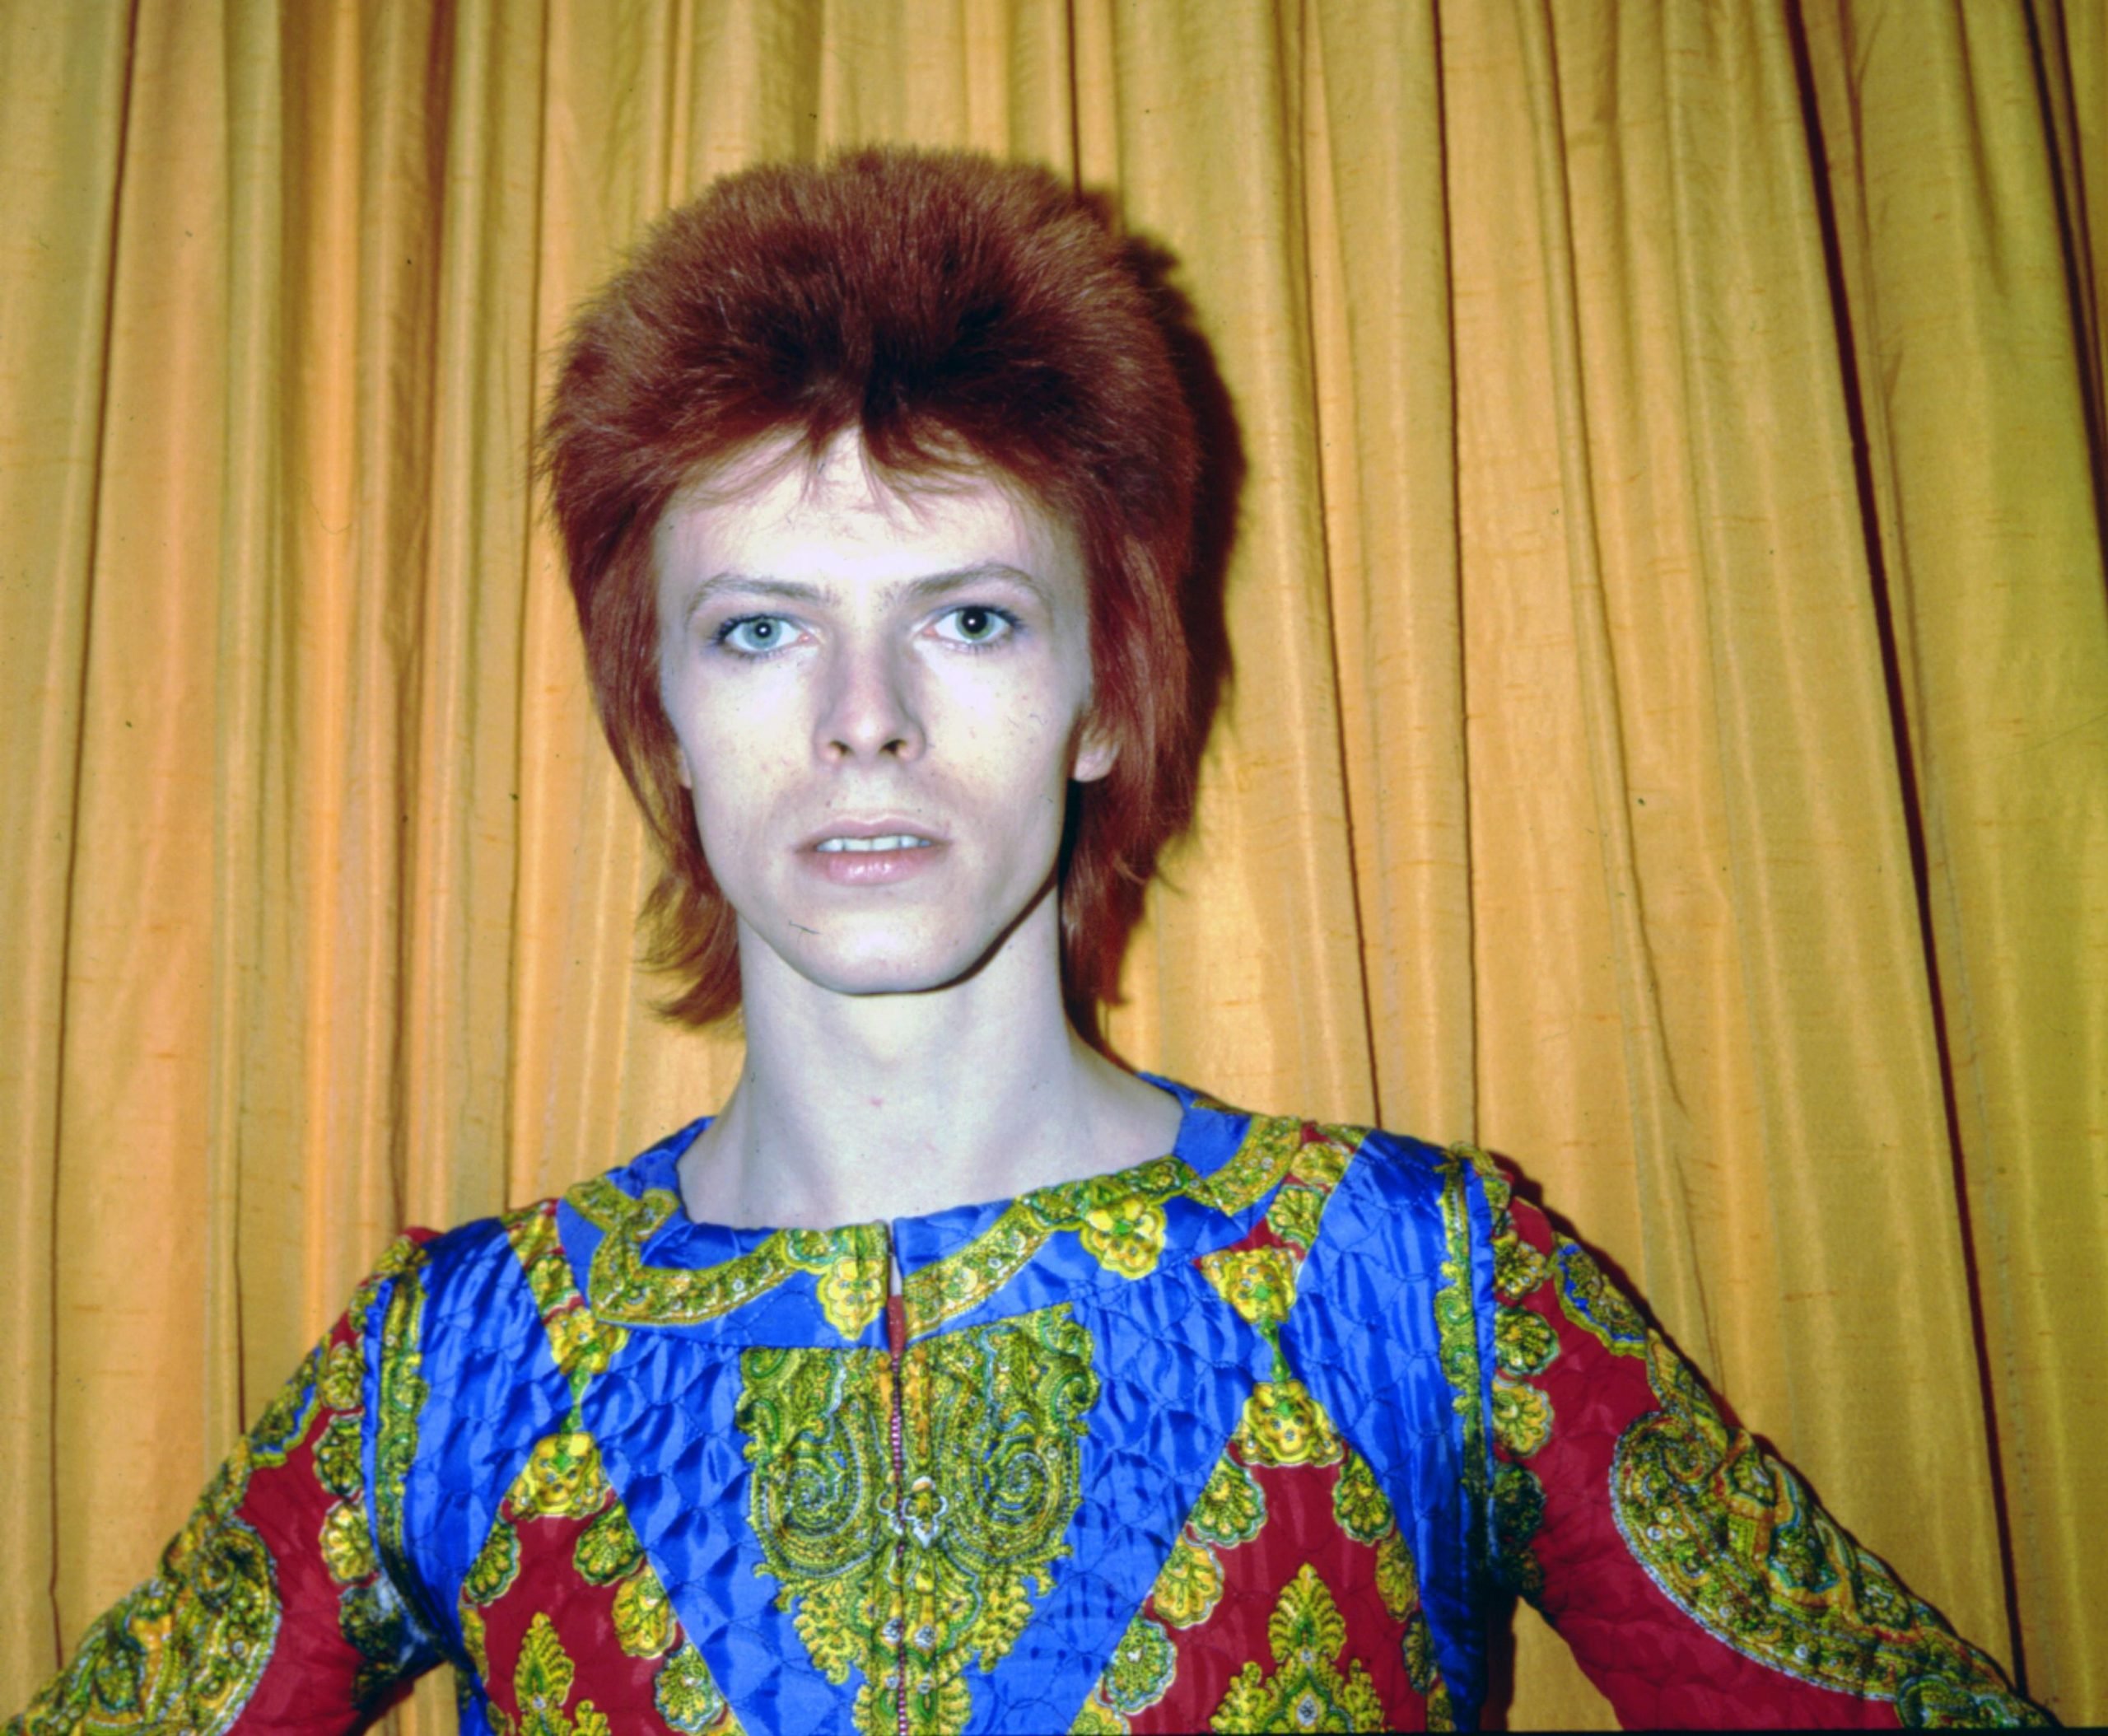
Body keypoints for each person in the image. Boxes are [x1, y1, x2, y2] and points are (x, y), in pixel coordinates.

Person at [7, 148, 2050, 1736]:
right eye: (759, 626)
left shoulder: (1417, 1291)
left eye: (967, 615)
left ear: (1100, 690)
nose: (863, 714)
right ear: (665, 720)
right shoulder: (448, 1369)